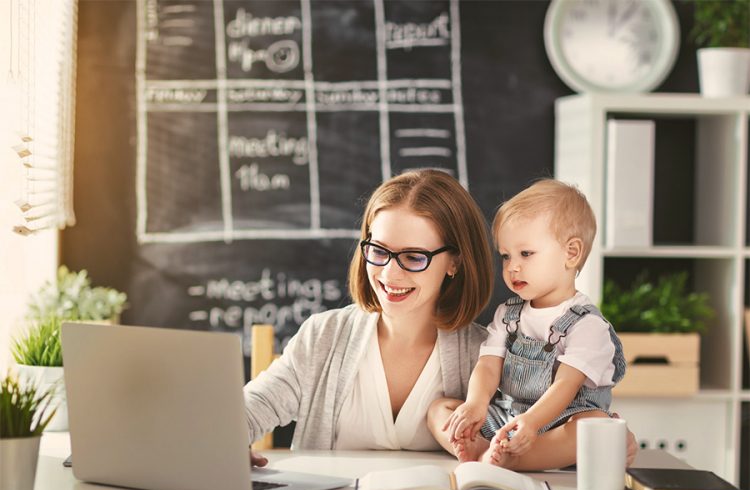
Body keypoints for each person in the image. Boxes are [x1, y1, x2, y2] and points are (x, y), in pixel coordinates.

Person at [245, 169, 494, 466]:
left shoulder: (487, 356)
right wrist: (227, 440)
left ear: (455, 262)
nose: (389, 274)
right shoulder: (324, 335)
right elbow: (252, 407)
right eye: (378, 250)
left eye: (413, 257)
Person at [427, 178, 633, 471]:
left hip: (557, 423)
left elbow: (565, 385)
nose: (512, 267)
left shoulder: (588, 325)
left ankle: (512, 459)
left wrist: (532, 424)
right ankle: (484, 447)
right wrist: (475, 404)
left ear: (571, 253)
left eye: (526, 254)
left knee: (595, 425)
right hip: (508, 417)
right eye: (506, 256)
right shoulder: (507, 314)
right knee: (440, 409)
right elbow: (488, 365)